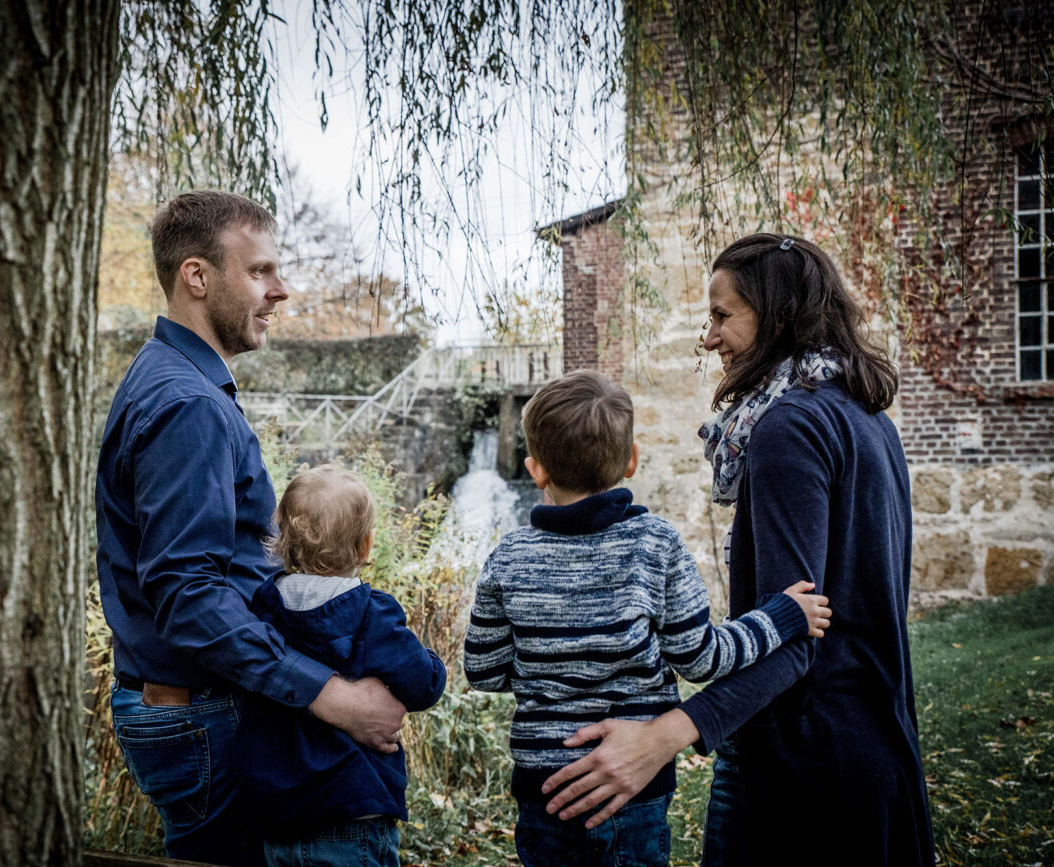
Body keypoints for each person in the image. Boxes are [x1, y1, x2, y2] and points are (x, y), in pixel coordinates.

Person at [540, 234, 934, 866]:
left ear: (777, 315)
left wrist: (662, 737)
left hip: (803, 767)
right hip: (875, 745)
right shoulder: (868, 420)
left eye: (722, 316)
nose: (708, 337)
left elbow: (795, 633)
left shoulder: (787, 429)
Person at [94, 191, 407, 866]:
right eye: (260, 270)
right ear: (197, 276)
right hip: (203, 713)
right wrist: (330, 695)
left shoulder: (176, 382)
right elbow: (188, 593)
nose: (281, 290)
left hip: (193, 707)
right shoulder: (188, 403)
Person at [463, 369, 831, 867]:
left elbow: (483, 671)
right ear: (632, 461)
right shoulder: (658, 544)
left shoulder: (507, 557)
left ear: (536, 470)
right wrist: (782, 617)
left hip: (543, 791)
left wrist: (547, 662)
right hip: (634, 794)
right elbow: (701, 659)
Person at [238, 464, 447, 866]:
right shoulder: (373, 614)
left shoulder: (263, 606)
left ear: (283, 541)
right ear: (366, 546)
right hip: (351, 809)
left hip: (275, 815)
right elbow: (423, 685)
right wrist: (434, 662)